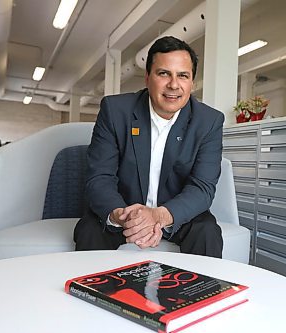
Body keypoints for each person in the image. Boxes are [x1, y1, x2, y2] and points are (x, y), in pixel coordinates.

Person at [74, 36, 225, 258]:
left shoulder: (209, 121)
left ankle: (198, 294)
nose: (174, 84)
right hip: (125, 211)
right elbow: (99, 177)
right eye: (164, 73)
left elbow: (202, 187)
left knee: (207, 231)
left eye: (183, 75)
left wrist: (159, 216)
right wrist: (122, 215)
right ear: (147, 77)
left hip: (175, 214)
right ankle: (90, 292)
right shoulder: (116, 111)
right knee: (91, 230)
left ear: (192, 82)